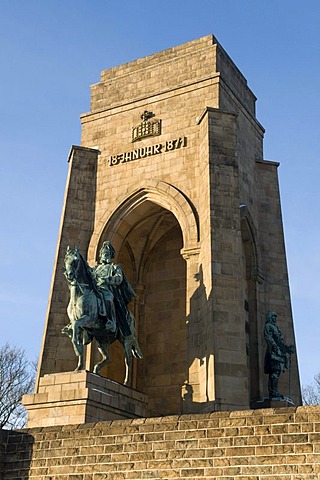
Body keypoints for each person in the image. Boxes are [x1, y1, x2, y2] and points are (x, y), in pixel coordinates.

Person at [92, 241, 135, 337]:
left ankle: (110, 321)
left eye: (107, 254)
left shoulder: (115, 267)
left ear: (111, 256)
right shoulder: (96, 269)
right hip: (96, 291)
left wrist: (108, 279)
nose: (105, 256)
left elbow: (119, 279)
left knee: (108, 298)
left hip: (107, 290)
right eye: (103, 254)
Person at [264, 311, 294, 398]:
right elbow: (269, 338)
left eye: (275, 317)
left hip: (278, 352)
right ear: (269, 317)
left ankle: (274, 390)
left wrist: (287, 349)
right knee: (274, 372)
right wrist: (276, 349)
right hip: (273, 352)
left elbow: (280, 341)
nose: (275, 318)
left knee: (277, 371)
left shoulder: (276, 327)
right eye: (273, 317)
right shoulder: (268, 326)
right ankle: (273, 391)